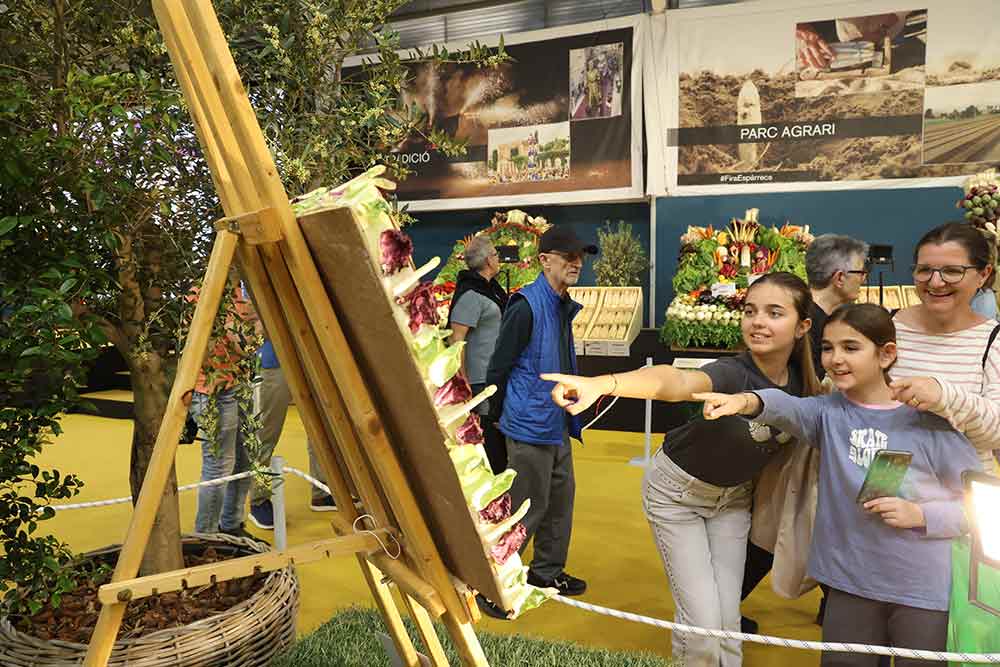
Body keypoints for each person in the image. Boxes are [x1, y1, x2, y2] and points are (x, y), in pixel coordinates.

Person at [544, 272, 822, 667]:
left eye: (774, 313)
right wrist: (604, 384)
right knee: (704, 624)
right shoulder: (733, 373)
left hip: (734, 501)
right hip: (678, 496)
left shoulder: (803, 384)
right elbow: (672, 382)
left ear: (802, 326)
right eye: (750, 310)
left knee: (727, 622)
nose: (758, 321)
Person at [697, 303, 982, 667]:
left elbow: (983, 507)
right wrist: (745, 401)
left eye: (851, 347)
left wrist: (922, 514)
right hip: (848, 586)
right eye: (827, 348)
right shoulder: (827, 414)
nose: (835, 359)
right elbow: (786, 406)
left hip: (921, 593)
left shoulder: (930, 423)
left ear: (887, 354)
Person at [740, 234, 870, 632]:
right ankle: (715, 610)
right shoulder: (800, 321)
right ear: (840, 276)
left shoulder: (829, 320)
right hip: (784, 445)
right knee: (771, 529)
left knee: (820, 526)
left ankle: (834, 607)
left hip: (811, 444)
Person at [485, 226, 596, 598]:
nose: (576, 262)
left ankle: (546, 573)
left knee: (561, 501)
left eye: (579, 256)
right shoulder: (526, 305)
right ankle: (493, 583)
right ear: (544, 260)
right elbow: (499, 366)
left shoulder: (560, 305)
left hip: (557, 422)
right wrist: (495, 422)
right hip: (528, 425)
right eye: (568, 256)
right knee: (526, 507)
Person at [888, 222, 1000, 476]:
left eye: (952, 271)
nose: (936, 282)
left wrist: (942, 396)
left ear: (983, 274)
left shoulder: (993, 341)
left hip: (964, 501)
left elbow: (996, 435)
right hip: (887, 494)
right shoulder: (884, 329)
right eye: (924, 270)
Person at [188, 272, 259, 540]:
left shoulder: (239, 295)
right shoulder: (203, 295)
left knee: (245, 459)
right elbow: (245, 344)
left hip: (239, 385)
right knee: (218, 466)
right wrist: (259, 324)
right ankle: (205, 538)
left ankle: (231, 525)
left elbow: (247, 345)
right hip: (212, 393)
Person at [247, 339, 333, 531]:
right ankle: (258, 500)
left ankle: (322, 489)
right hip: (273, 362)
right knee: (265, 433)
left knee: (321, 429)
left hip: (311, 357)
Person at [447, 236, 508, 474]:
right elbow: (456, 340)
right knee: (489, 440)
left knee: (499, 436)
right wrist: (462, 383)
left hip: (495, 374)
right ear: (485, 261)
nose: (498, 258)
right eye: (494, 254)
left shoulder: (491, 289)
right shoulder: (471, 294)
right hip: (479, 380)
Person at [805, 235, 871, 378]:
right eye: (861, 273)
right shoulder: (808, 325)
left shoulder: (799, 311)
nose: (863, 280)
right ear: (840, 278)